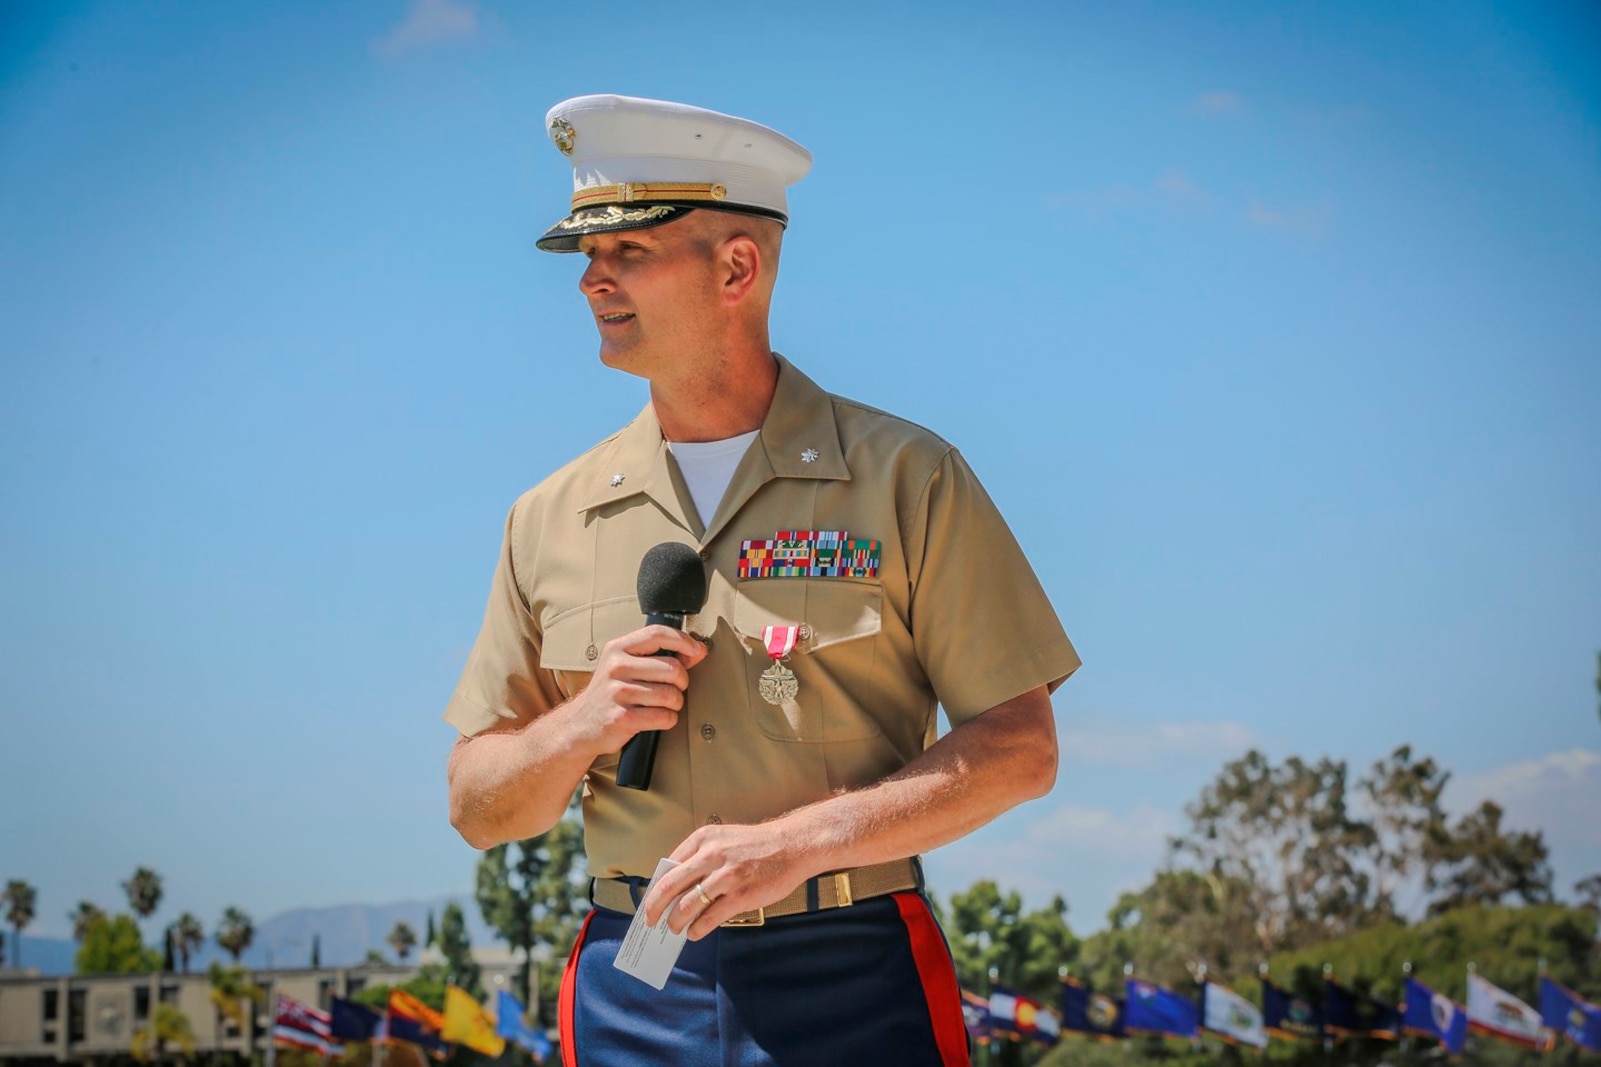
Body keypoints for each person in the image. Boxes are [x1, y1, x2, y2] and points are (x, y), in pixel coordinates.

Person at [444, 94, 1080, 1067]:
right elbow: (479, 806)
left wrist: (800, 842)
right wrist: (583, 723)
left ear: (736, 265)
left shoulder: (908, 475)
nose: (590, 280)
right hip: (631, 981)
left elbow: (1019, 748)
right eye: (584, 256)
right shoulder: (546, 516)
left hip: (853, 973)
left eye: (628, 252)